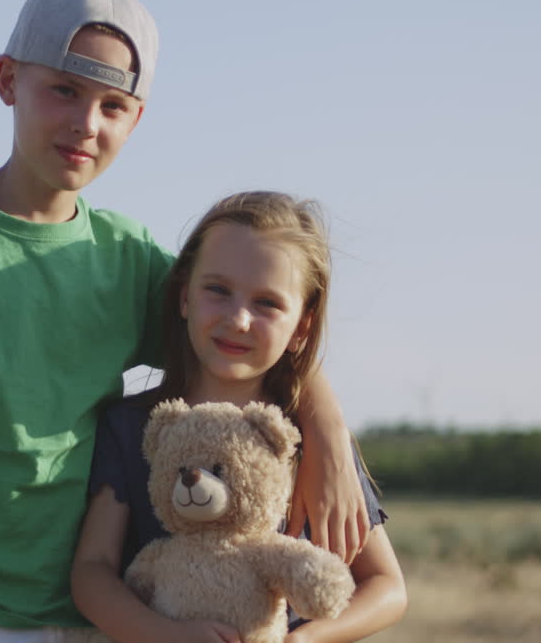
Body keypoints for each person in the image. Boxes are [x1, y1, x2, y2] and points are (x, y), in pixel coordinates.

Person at [0, 0, 370, 643]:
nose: (85, 124)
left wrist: (325, 430)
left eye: (113, 105)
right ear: (8, 80)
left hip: (104, 616)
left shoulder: (129, 256)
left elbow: (242, 335)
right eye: (64, 90)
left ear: (138, 119)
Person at [71, 191, 408, 643]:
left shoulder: (310, 439)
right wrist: (165, 634)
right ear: (184, 295)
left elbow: (388, 587)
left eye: (267, 303)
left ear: (301, 327)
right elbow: (92, 573)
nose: (239, 319)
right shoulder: (133, 425)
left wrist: (306, 639)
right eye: (218, 290)